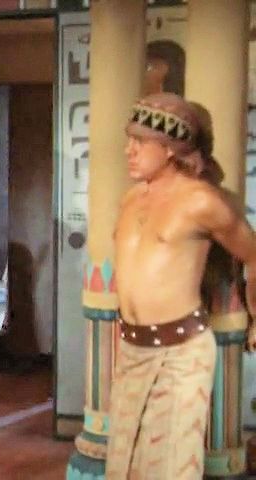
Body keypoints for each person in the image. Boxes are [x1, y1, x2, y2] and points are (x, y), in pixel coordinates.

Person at [105, 92, 256, 479]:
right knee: (123, 468)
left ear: (171, 148)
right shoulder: (131, 198)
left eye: (140, 142)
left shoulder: (201, 202)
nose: (128, 151)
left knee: (171, 467)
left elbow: (254, 254)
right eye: (129, 140)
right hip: (131, 347)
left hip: (181, 354)